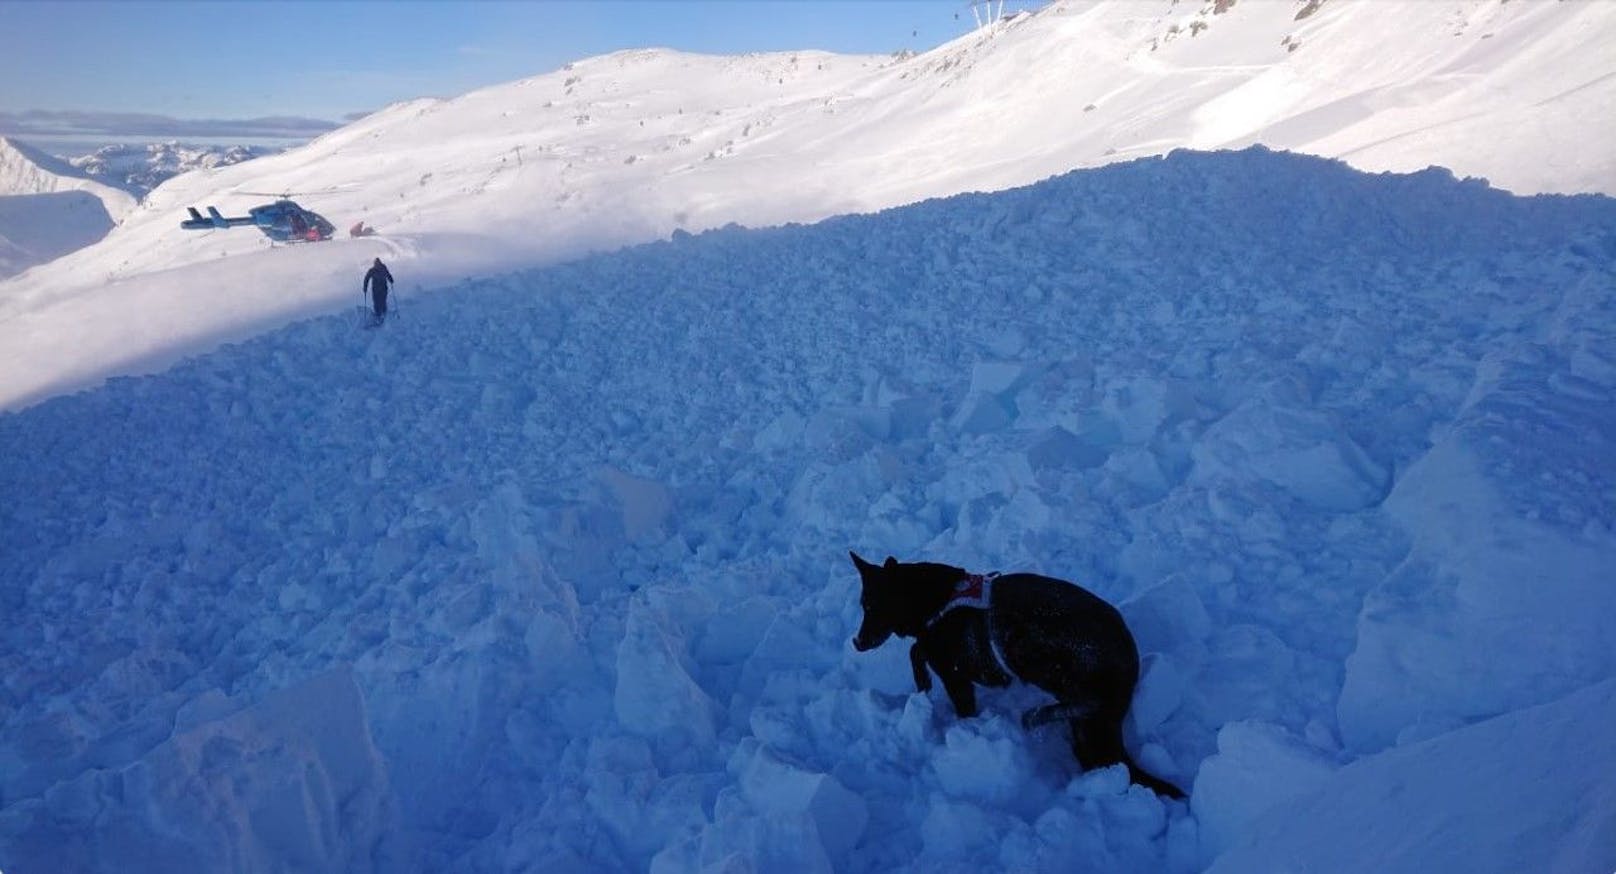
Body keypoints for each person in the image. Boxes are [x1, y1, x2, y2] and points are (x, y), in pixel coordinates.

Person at [363, 258, 395, 323]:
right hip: (376, 289)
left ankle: (383, 314)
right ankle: (378, 315)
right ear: (374, 264)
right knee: (376, 302)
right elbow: (366, 278)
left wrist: (391, 279)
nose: (377, 266)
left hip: (383, 288)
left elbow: (388, 274)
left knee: (382, 301)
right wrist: (365, 287)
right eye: (376, 264)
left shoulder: (383, 268)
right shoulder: (372, 270)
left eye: (378, 264)